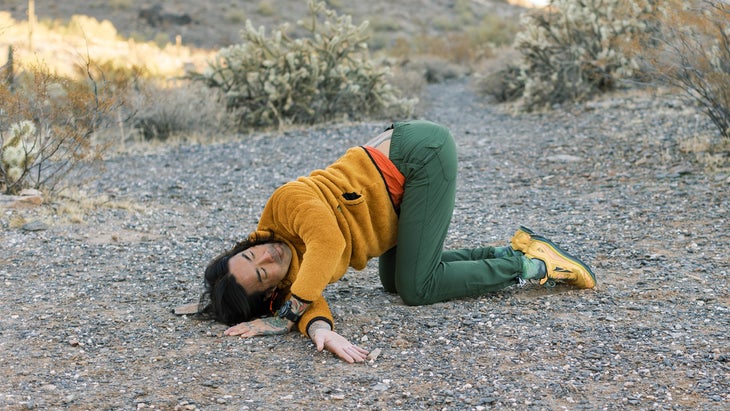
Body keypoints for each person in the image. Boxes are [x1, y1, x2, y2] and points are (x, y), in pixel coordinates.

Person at [198, 120, 596, 363]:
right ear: (271, 288)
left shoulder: (285, 205)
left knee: (417, 286)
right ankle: (512, 252)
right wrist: (319, 329)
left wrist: (284, 315)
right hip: (393, 195)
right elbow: (307, 294)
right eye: (264, 270)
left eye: (251, 254)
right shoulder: (292, 275)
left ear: (243, 245)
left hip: (417, 156)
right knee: (396, 282)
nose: (268, 254)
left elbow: (329, 245)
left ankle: (534, 265)